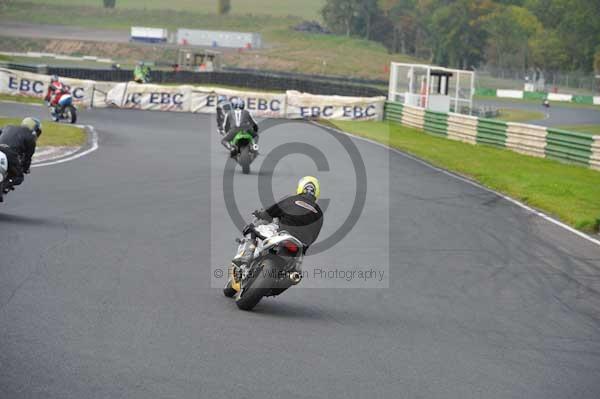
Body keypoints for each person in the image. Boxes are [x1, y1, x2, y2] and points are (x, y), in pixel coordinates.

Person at [248, 176, 324, 252]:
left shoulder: (292, 199)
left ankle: (248, 254)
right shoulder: (319, 213)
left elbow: (269, 213)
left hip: (284, 235)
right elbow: (315, 235)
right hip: (301, 245)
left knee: (253, 229)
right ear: (317, 192)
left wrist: (260, 214)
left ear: (300, 188)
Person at [0, 117, 42, 191]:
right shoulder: (30, 137)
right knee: (19, 177)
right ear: (34, 129)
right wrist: (25, 168)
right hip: (10, 154)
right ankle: (3, 185)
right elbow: (28, 158)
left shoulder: (8, 127)